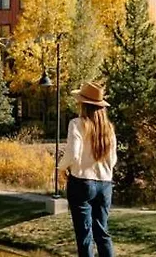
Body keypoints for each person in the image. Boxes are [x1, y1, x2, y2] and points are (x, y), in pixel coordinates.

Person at [57, 81, 117, 257]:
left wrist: (61, 168)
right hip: (105, 184)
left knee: (84, 235)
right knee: (102, 232)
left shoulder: (77, 124)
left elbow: (73, 153)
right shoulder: (109, 128)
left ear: (84, 104)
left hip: (82, 182)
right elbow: (113, 159)